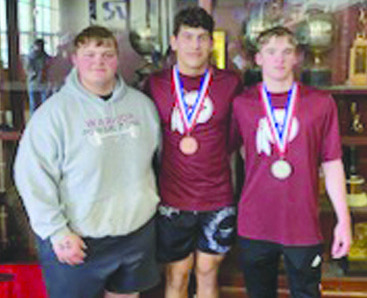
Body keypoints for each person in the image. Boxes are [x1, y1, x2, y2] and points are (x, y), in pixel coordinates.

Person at [14, 25, 161, 298]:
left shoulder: (143, 107)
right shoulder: (53, 114)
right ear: (74, 59)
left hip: (135, 233)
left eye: (106, 54)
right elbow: (32, 177)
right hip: (78, 239)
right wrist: (56, 232)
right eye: (90, 54)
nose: (98, 62)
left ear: (117, 59)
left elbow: (158, 163)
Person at [232, 26, 352, 297]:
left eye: (287, 51)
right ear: (258, 58)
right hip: (255, 222)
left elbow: (332, 163)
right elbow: (238, 152)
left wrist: (343, 220)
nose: (279, 59)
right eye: (271, 52)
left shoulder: (320, 103)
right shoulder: (242, 104)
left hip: (303, 224)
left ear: (297, 57)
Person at [145, 6, 242, 298]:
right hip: (172, 198)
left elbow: (236, 138)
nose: (195, 45)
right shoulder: (155, 84)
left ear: (212, 43)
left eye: (202, 37)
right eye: (187, 37)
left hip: (217, 196)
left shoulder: (230, 83)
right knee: (177, 275)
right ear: (174, 41)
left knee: (208, 273)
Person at [25, 38, 52, 114]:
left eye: (41, 45)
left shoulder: (47, 58)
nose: (40, 47)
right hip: (33, 83)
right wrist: (34, 74)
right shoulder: (30, 58)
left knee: (45, 104)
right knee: (34, 104)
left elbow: (50, 69)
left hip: (44, 83)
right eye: (38, 45)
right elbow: (28, 69)